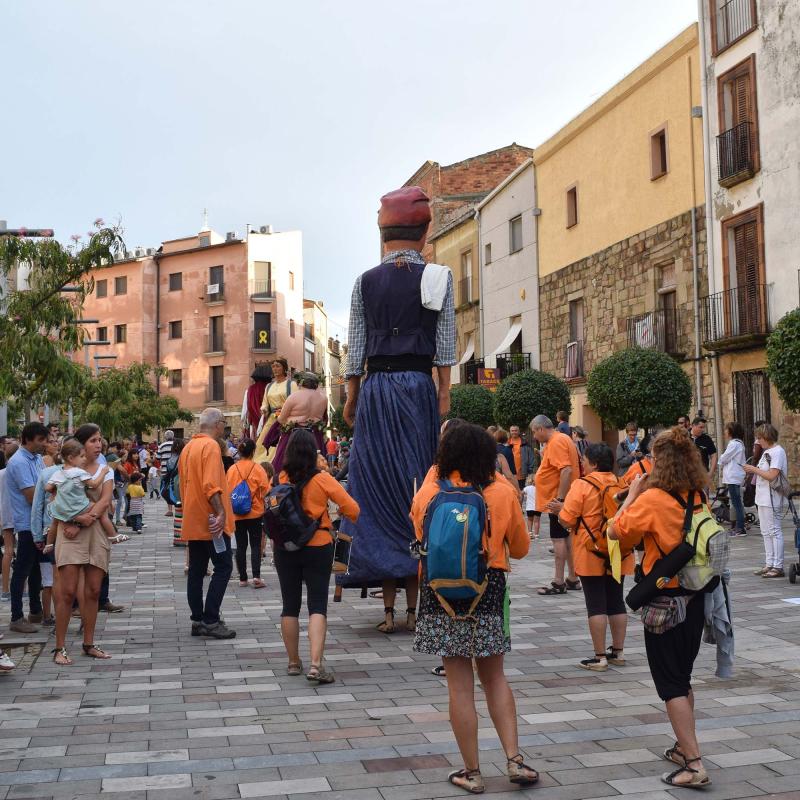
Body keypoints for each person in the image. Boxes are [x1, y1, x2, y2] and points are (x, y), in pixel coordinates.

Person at [341, 186, 456, 633]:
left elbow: (356, 349)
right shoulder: (438, 277)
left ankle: (384, 587)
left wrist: (352, 397)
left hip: (376, 386)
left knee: (372, 484)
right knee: (419, 481)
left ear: (383, 232)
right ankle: (417, 592)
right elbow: (444, 345)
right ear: (424, 232)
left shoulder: (365, 281)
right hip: (417, 386)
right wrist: (442, 396)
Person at [412, 423, 536, 794]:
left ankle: (472, 771)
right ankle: (514, 758)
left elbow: (419, 531)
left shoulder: (431, 489)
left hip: (440, 592)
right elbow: (521, 548)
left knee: (458, 684)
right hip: (489, 586)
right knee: (494, 676)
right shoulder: (501, 490)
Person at [608, 427, 713, 789]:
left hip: (665, 602)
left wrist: (633, 495)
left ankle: (695, 763)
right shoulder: (698, 494)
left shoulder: (653, 500)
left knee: (670, 684)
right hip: (695, 598)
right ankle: (685, 748)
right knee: (682, 677)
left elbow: (616, 532)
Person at [271, 429, 359, 681]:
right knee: (317, 605)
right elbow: (353, 508)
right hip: (318, 545)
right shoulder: (322, 479)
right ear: (313, 452)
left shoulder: (281, 477)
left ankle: (293, 662)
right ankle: (315, 664)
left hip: (285, 547)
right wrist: (340, 515)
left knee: (289, 606)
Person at [552, 443, 632, 672]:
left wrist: (561, 510)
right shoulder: (620, 483)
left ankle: (599, 657)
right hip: (618, 551)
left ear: (594, 463)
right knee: (616, 601)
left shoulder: (582, 485)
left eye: (584, 461)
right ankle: (618, 652)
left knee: (596, 604)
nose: (582, 465)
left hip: (590, 552)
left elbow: (567, 519)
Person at [51, 423, 116, 664]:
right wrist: (73, 522)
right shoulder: (64, 471)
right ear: (80, 445)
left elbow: (105, 499)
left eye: (100, 440)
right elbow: (54, 501)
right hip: (68, 532)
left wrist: (81, 522)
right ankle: (59, 648)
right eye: (93, 441)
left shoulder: (105, 470)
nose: (98, 445)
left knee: (93, 590)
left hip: (94, 530)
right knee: (67, 592)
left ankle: (88, 643)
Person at [179, 408, 236, 639]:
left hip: (194, 518)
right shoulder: (211, 446)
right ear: (217, 424)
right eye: (224, 423)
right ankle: (211, 619)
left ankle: (197, 620)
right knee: (223, 567)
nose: (224, 428)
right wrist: (221, 513)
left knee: (197, 570)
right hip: (211, 521)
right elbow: (211, 485)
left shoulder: (188, 447)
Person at [43, 439, 127, 550]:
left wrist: (58, 489)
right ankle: (113, 535)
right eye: (82, 456)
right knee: (101, 510)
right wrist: (103, 472)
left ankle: (49, 544)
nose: (84, 459)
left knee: (54, 523)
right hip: (79, 505)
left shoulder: (58, 473)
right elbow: (94, 484)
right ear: (71, 458)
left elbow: (48, 488)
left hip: (61, 507)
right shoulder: (79, 472)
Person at [5, 422, 48, 633]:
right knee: (22, 570)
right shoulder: (19, 462)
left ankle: (35, 610)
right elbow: (32, 495)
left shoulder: (37, 459)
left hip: (39, 522)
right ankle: (16, 616)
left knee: (36, 569)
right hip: (26, 523)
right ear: (27, 439)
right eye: (40, 440)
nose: (44, 444)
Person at [532, 415, 580, 595]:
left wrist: (559, 499)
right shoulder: (561, 439)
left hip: (557, 500)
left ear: (541, 429)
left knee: (558, 539)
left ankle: (559, 581)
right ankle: (573, 578)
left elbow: (566, 469)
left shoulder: (557, 441)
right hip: (561, 499)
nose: (535, 437)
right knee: (567, 539)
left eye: (535, 433)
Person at [744, 422, 788, 578]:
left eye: (759, 438)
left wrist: (753, 469)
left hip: (772, 498)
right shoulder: (767, 451)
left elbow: (771, 475)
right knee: (765, 531)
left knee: (774, 530)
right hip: (762, 497)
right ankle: (769, 562)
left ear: (766, 437)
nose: (758, 441)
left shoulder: (777, 452)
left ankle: (778, 565)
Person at [226, 438, 271, 588]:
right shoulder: (258, 469)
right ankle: (256, 576)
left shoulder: (232, 470)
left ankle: (243, 578)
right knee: (255, 545)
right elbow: (265, 490)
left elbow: (227, 490)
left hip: (237, 512)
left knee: (240, 545)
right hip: (255, 512)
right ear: (253, 452)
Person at [263, 372, 328, 475]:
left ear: (301, 382)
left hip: (294, 436)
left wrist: (277, 416)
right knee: (317, 469)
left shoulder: (294, 397)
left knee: (284, 467)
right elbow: (324, 419)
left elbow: (282, 419)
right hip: (315, 436)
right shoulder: (323, 398)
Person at [257, 357, 297, 461]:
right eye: (273, 366)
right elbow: (265, 402)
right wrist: (264, 409)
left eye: (278, 366)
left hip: (287, 419)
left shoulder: (291, 384)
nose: (275, 368)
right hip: (272, 418)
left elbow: (295, 401)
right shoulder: (268, 386)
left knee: (282, 443)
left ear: (284, 368)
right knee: (263, 441)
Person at [719, 422, 747, 537]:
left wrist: (721, 460)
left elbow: (724, 458)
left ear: (731, 432)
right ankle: (739, 527)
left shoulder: (734, 444)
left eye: (726, 430)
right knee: (736, 503)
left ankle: (740, 528)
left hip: (733, 477)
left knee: (736, 504)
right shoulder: (738, 443)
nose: (725, 432)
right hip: (735, 477)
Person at [0, 442, 18, 601]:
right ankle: (22, 587)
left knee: (8, 550)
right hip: (21, 513)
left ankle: (5, 589)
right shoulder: (19, 471)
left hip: (5, 513)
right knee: (24, 552)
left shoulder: (1, 473)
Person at [241, 363, 272, 440]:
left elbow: (244, 412)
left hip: (254, 423)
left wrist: (245, 425)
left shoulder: (250, 390)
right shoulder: (271, 388)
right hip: (270, 420)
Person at [157, 431, 174, 516]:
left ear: (165, 437)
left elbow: (158, 457)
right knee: (176, 488)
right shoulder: (176, 444)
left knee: (167, 489)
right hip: (176, 470)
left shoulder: (162, 446)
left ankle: (170, 509)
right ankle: (179, 507)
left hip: (165, 471)